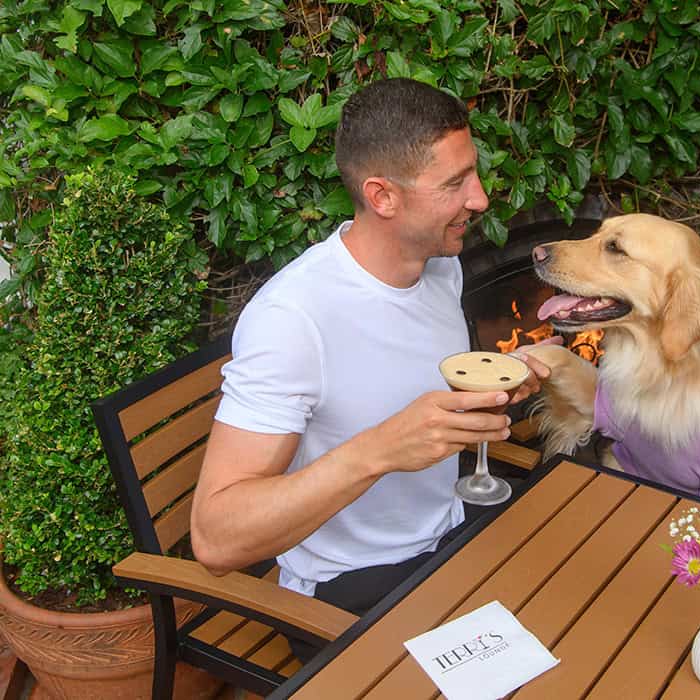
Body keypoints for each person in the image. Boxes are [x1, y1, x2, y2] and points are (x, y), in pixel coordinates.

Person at [189, 79, 554, 652]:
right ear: (382, 196)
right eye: (455, 183)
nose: (480, 199)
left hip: (452, 535)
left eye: (473, 173)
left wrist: (500, 383)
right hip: (351, 586)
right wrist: (381, 449)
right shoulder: (294, 319)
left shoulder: (439, 267)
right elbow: (215, 538)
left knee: (587, 616)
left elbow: (405, 388)